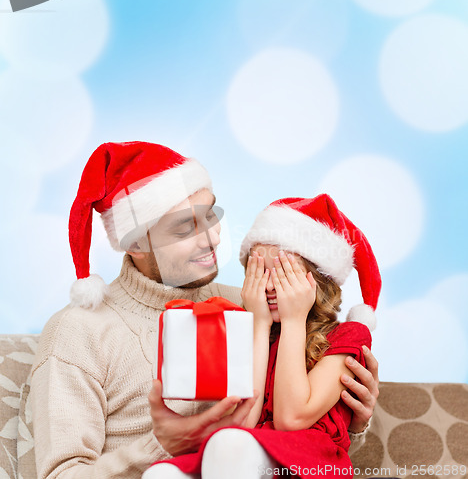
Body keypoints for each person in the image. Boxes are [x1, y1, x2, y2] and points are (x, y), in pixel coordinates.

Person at [30, 142, 379, 479]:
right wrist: (160, 446)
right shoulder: (79, 331)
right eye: (185, 227)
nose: (211, 239)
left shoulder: (257, 305)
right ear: (135, 243)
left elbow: (294, 438)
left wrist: (351, 416)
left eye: (210, 214)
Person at [144, 194, 381, 478]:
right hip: (247, 452)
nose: (268, 286)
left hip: (306, 461)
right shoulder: (250, 332)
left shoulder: (349, 335)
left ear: (317, 281)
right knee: (161, 474)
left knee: (227, 442)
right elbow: (245, 421)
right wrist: (257, 324)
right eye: (258, 272)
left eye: (282, 273)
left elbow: (290, 419)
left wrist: (294, 319)